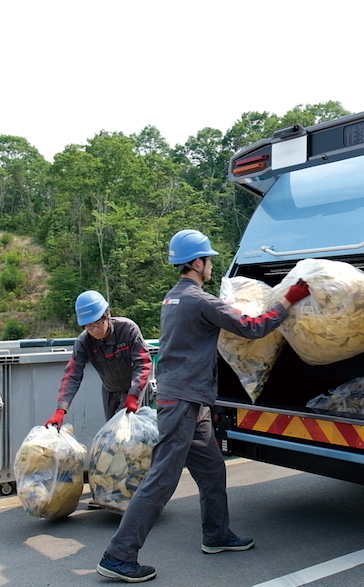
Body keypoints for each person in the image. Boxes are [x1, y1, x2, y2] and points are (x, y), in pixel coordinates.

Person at [96, 229, 310, 583]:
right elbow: (253, 328)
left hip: (188, 399)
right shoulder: (198, 300)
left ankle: (217, 534)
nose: (210, 265)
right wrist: (288, 299)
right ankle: (119, 555)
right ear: (197, 263)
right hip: (183, 401)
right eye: (208, 259)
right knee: (162, 480)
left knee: (212, 470)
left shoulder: (174, 297)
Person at [45, 290, 152, 429]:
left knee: (138, 435)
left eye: (97, 323)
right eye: (88, 326)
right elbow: (72, 375)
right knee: (113, 435)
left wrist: (134, 396)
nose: (94, 330)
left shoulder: (128, 330)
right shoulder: (84, 342)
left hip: (137, 389)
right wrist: (61, 410)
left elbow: (143, 363)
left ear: (107, 315)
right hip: (110, 391)